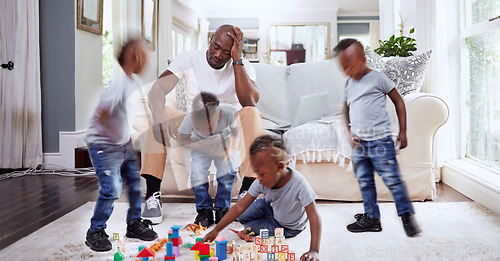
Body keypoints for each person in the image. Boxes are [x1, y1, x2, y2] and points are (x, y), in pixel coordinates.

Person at [140, 24, 263, 224]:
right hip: (195, 124)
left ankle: (247, 193)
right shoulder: (189, 58)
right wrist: (159, 113)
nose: (218, 55)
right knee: (157, 112)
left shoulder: (243, 66)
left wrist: (237, 60)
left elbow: (249, 101)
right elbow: (157, 89)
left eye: (226, 52)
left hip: (228, 128)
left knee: (252, 113)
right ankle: (153, 196)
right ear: (210, 38)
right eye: (215, 46)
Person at [334, 38, 421, 237]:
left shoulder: (378, 78)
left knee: (392, 180)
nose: (347, 71)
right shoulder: (348, 83)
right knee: (364, 181)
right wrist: (348, 134)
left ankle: (407, 216)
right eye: (344, 67)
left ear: (363, 59)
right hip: (359, 145)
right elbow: (345, 111)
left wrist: (403, 131)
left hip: (381, 141)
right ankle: (372, 218)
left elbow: (399, 101)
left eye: (351, 65)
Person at [84, 37, 158, 252]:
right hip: (105, 146)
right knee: (112, 189)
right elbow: (101, 114)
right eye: (145, 55)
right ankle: (95, 231)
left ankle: (134, 223)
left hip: (122, 145)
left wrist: (125, 141)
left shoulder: (131, 82)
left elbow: (123, 116)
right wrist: (112, 142)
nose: (147, 61)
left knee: (135, 185)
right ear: (134, 56)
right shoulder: (119, 83)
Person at [203, 135, 322, 261]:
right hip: (269, 206)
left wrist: (314, 249)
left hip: (288, 227)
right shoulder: (262, 180)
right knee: (241, 215)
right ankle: (253, 201)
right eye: (256, 173)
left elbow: (314, 216)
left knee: (249, 227)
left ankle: (260, 217)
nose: (258, 178)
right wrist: (216, 230)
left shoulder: (299, 184)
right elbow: (239, 206)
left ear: (279, 167)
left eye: (262, 173)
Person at [178, 92, 239, 227]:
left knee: (226, 174)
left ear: (219, 116)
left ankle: (222, 209)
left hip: (222, 146)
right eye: (202, 126)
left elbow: (236, 134)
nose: (205, 130)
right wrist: (203, 146)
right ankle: (204, 210)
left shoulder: (228, 115)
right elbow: (182, 139)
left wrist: (228, 151)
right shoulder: (189, 119)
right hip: (200, 147)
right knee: (198, 175)